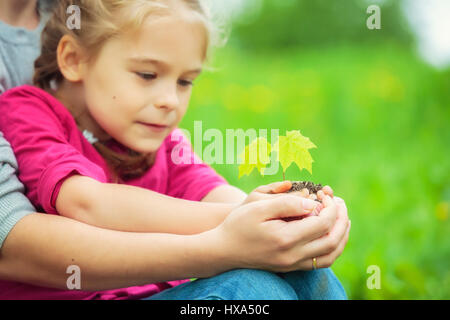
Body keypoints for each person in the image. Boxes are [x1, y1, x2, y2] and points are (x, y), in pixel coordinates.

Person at [0, 0, 350, 300]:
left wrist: (288, 216)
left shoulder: (155, 136)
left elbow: (213, 192)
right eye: (147, 75)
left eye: (185, 82)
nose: (170, 101)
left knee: (306, 272)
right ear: (74, 59)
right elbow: (85, 202)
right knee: (249, 289)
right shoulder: (30, 111)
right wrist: (241, 223)